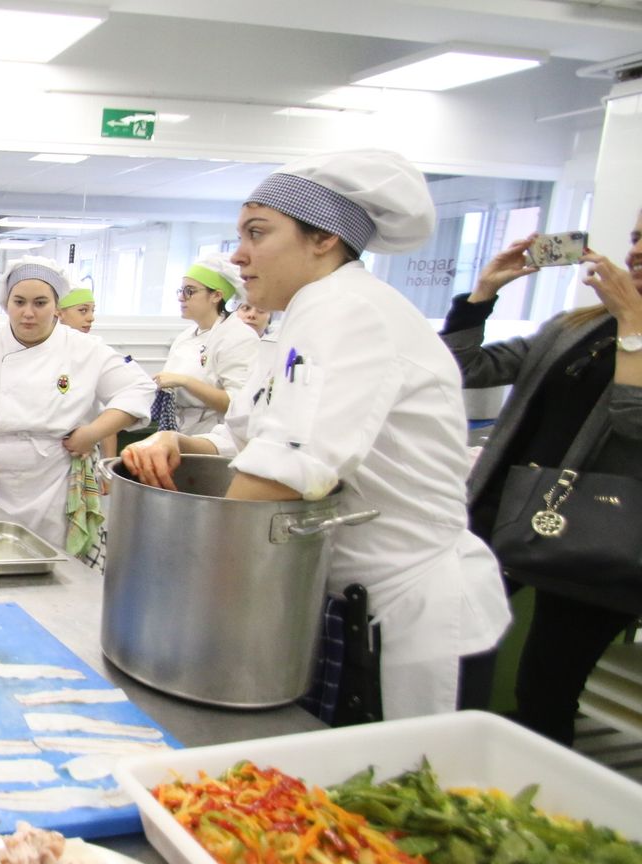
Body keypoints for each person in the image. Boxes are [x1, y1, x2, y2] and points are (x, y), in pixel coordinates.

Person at [121, 148, 511, 721]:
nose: (239, 254)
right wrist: (176, 443)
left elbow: (284, 474)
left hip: (407, 614)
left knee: (407, 792)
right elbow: (247, 441)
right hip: (341, 601)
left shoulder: (348, 311)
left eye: (258, 232)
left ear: (324, 237)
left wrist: (194, 593)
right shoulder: (302, 318)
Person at [442, 211, 642, 745]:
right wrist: (484, 291)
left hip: (598, 542)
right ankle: (449, 756)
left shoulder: (623, 329)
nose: (638, 251)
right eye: (637, 236)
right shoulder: (573, 325)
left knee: (547, 686)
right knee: (451, 649)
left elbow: (632, 420)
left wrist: (633, 327)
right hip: (504, 512)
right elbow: (466, 369)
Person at [0, 256, 156, 550]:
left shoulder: (85, 350)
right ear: (6, 304)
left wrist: (93, 432)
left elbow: (139, 388)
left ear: (57, 307)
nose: (28, 313)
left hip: (53, 482)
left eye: (40, 303)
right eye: (19, 302)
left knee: (54, 563)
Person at [153, 255, 259, 434]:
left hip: (216, 437)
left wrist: (186, 382)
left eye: (190, 291)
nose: (181, 298)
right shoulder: (185, 337)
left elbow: (237, 404)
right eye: (181, 290)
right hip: (180, 432)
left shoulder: (239, 337)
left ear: (217, 295)